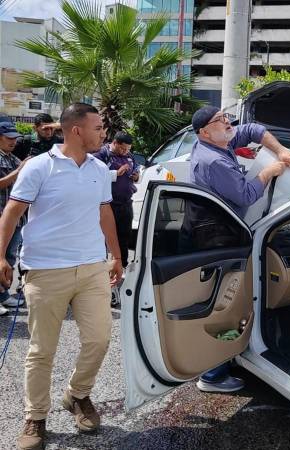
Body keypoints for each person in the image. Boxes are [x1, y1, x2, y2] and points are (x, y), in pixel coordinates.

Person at [0, 103, 123, 450]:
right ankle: (35, 417)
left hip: (91, 267)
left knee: (99, 339)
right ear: (77, 130)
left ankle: (77, 394)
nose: (104, 133)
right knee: (42, 350)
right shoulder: (39, 166)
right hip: (45, 270)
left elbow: (104, 213)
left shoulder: (99, 168)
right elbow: (11, 213)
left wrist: (115, 256)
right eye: (98, 127)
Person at [187, 105, 290, 393]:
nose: (227, 122)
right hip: (218, 238)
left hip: (218, 234)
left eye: (226, 117)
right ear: (204, 132)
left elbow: (253, 130)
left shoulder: (219, 142)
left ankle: (220, 358)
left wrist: (281, 149)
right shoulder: (215, 162)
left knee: (225, 299)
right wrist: (271, 171)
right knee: (228, 301)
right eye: (219, 121)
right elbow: (246, 195)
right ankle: (212, 374)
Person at [93, 131, 139, 271]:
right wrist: (115, 173)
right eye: (123, 148)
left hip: (125, 203)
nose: (125, 152)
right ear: (114, 143)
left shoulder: (129, 157)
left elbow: (136, 171)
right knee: (103, 236)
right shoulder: (101, 155)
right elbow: (93, 175)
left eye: (128, 149)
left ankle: (122, 265)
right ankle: (100, 267)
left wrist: (136, 176)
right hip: (107, 204)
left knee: (124, 235)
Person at [0, 122, 29, 314]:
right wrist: (19, 171)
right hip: (2, 215)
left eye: (14, 138)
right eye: (9, 138)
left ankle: (3, 296)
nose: (13, 141)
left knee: (9, 258)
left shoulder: (12, 158)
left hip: (16, 217)